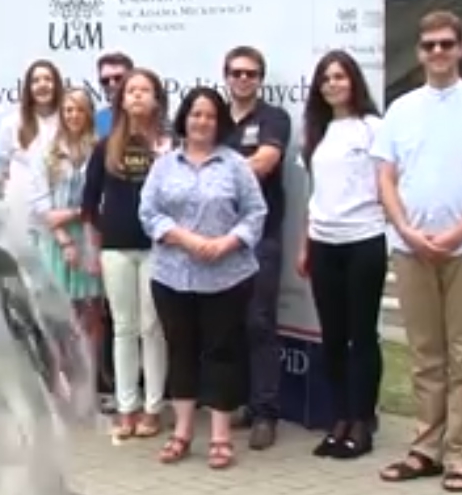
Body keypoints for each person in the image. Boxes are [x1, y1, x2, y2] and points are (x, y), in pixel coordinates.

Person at [374, 11, 462, 495]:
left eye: (446, 44)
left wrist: (459, 232)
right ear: (419, 52)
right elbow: (385, 177)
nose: (437, 52)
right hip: (411, 248)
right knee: (425, 355)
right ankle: (426, 449)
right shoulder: (400, 110)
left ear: (461, 49)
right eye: (429, 45)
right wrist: (406, 230)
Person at [139, 87, 267, 471]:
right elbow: (148, 213)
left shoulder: (235, 165)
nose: (202, 122)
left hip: (226, 276)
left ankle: (221, 436)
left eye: (210, 115)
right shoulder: (164, 165)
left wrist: (228, 242)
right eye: (196, 114)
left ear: (220, 122)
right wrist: (186, 239)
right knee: (181, 351)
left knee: (222, 353)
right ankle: (181, 432)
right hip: (172, 275)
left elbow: (256, 213)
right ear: (185, 118)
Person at [296, 50, 388, 460]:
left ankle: (362, 421)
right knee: (332, 337)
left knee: (361, 335)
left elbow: (389, 184)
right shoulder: (317, 131)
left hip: (364, 240)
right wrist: (305, 244)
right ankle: (339, 419)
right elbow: (315, 195)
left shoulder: (373, 128)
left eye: (340, 77)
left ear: (354, 81)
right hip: (323, 243)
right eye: (325, 78)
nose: (333, 84)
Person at [83, 68, 171, 441]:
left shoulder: (168, 146)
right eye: (130, 90)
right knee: (123, 328)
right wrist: (92, 248)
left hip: (158, 247)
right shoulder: (105, 146)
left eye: (144, 90)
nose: (136, 96)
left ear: (156, 99)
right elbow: (89, 202)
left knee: (153, 329)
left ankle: (153, 408)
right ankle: (126, 407)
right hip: (116, 247)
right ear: (121, 100)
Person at [221, 45, 292, 451]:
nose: (243, 79)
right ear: (226, 77)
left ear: (260, 79)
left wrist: (213, 168)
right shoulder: (214, 119)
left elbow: (264, 163)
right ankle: (241, 404)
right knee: (227, 326)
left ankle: (266, 412)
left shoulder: (273, 118)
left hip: (260, 236)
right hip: (216, 238)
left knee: (259, 322)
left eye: (251, 73)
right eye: (236, 73)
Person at [28, 89, 105, 404]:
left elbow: (100, 198)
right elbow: (40, 203)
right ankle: (60, 387)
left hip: (90, 235)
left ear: (89, 114)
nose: (73, 115)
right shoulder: (44, 150)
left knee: (91, 314)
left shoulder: (98, 149)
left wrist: (79, 217)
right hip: (55, 241)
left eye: (80, 110)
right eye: (68, 110)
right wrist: (65, 236)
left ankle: (90, 386)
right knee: (58, 317)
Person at [0, 59, 64, 216]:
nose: (42, 85)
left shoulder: (68, 122)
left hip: (60, 211)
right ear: (28, 88)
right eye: (36, 81)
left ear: (57, 85)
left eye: (48, 79)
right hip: (20, 212)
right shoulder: (11, 123)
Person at [93, 51, 134, 138]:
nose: (111, 84)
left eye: (118, 78)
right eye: (105, 81)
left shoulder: (148, 117)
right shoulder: (96, 120)